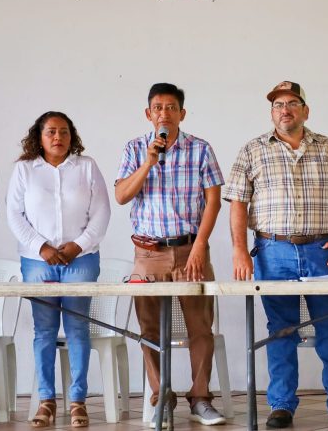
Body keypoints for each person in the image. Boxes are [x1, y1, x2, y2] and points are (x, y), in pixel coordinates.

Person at [224, 81, 328, 429]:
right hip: (272, 251)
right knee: (281, 330)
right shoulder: (253, 150)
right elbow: (237, 204)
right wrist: (238, 250)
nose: (285, 109)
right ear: (271, 113)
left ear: (306, 110)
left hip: (322, 251)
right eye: (278, 104)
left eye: (292, 103)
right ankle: (281, 406)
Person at [115, 83, 226, 427]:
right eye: (158, 108)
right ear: (149, 114)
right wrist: (148, 162)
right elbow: (121, 195)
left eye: (171, 107)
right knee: (148, 329)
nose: (164, 113)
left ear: (182, 113)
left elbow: (213, 201)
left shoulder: (200, 149)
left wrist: (200, 247)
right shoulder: (135, 149)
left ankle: (201, 397)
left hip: (190, 249)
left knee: (200, 328)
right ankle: (161, 395)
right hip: (148, 253)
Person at [6, 111, 110, 427]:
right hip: (38, 263)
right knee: (45, 331)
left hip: (81, 260)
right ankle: (46, 401)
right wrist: (43, 248)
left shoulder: (87, 167)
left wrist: (78, 245)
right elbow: (15, 215)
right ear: (39, 136)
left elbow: (102, 212)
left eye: (64, 132)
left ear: (71, 136)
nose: (58, 137)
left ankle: (78, 401)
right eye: (51, 131)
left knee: (78, 328)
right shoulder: (25, 170)